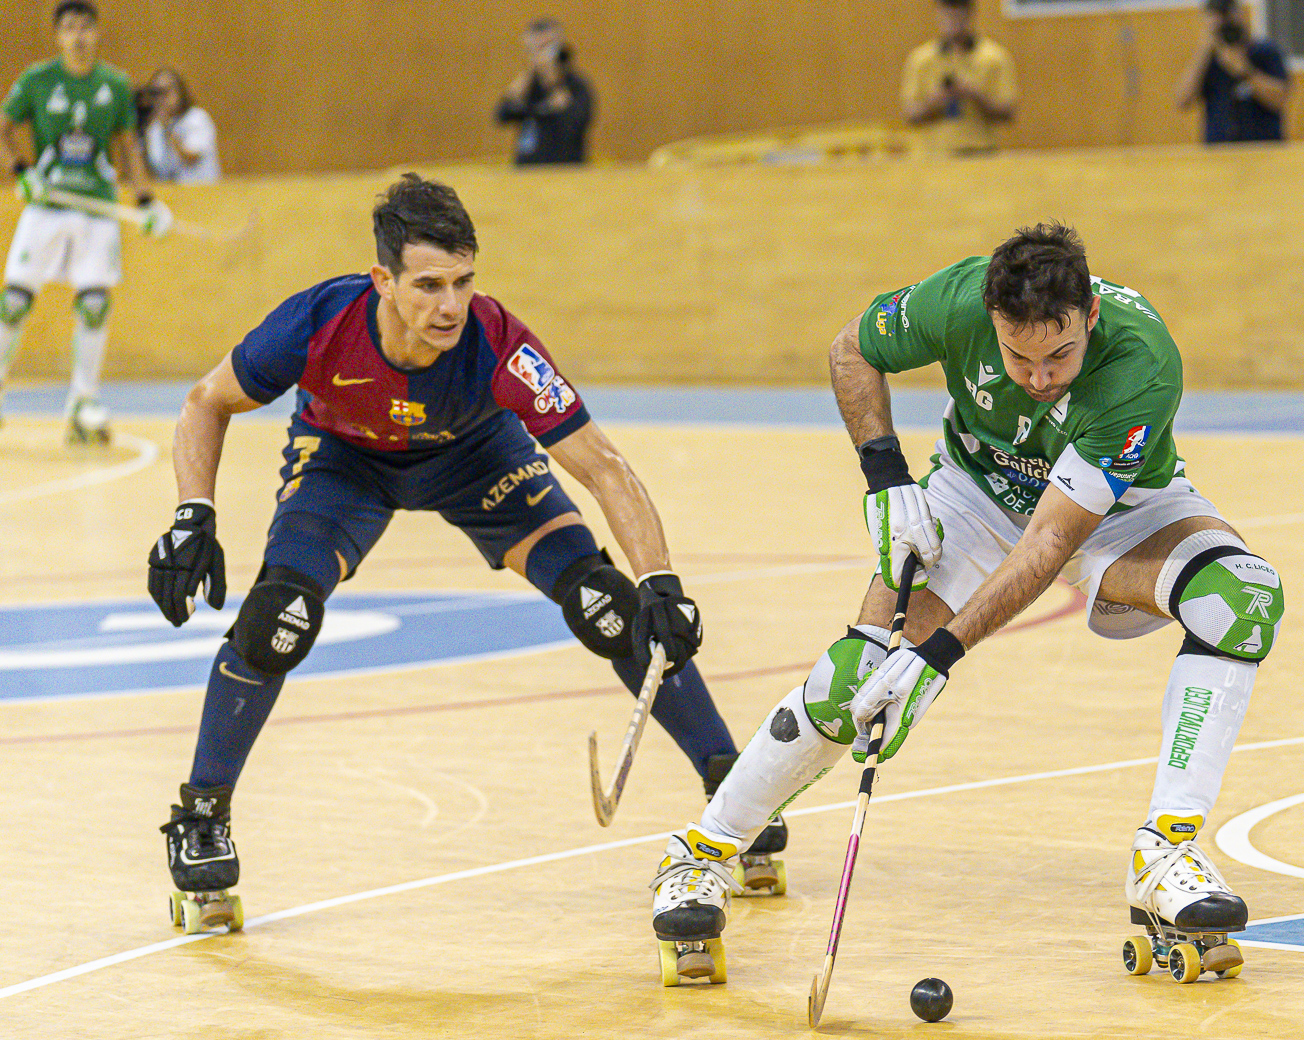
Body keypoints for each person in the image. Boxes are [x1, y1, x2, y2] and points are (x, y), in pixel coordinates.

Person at [648, 223, 1284, 986]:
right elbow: (850, 349)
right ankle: (704, 850)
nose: (1040, 377)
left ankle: (1167, 851)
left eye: (1058, 356)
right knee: (856, 680)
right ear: (989, 323)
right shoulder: (955, 299)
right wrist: (887, 478)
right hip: (976, 495)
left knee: (1240, 597)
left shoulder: (1140, 363)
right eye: (1018, 357)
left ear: (1088, 316)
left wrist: (938, 656)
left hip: (1121, 510)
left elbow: (1049, 545)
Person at [146, 174, 758, 934]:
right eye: (429, 285)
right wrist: (192, 513)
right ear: (382, 282)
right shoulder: (317, 320)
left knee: (610, 606)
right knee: (279, 618)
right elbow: (208, 400)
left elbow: (602, 464)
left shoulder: (498, 340)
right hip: (346, 460)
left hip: (476, 456)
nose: (450, 305)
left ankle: (736, 790)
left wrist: (661, 580)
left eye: (463, 282)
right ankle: (202, 815)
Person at [0, 0, 168, 442]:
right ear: (57, 35)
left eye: (86, 27)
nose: (78, 36)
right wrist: (21, 171)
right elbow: (3, 127)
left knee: (94, 304)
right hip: (47, 207)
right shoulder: (37, 80)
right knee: (14, 301)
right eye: (69, 27)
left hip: (97, 210)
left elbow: (128, 146)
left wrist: (147, 199)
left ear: (97, 33)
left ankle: (83, 401)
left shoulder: (113, 85)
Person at [900, 0, 1019, 156]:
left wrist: (975, 95)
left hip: (980, 152)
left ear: (970, 14)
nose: (953, 19)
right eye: (948, 13)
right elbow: (910, 115)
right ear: (939, 14)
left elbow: (1008, 113)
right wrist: (937, 100)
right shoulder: (921, 59)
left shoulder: (994, 58)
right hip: (934, 155)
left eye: (959, 13)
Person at [1175, 0, 1290, 144]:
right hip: (1218, 153)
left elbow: (1279, 99)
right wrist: (1205, 49)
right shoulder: (1208, 60)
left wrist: (1245, 71)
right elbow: (1182, 101)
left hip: (1263, 149)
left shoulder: (1265, 52)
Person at [494, 17, 595, 166]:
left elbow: (579, 121)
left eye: (547, 47)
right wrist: (524, 82)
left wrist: (553, 83)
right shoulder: (527, 84)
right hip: (527, 166)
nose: (541, 54)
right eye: (536, 48)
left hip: (565, 168)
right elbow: (502, 116)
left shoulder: (574, 83)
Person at [138, 68, 219, 184]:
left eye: (167, 91)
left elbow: (190, 158)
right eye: (157, 93)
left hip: (202, 191)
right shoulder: (155, 127)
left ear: (180, 91)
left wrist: (167, 130)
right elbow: (156, 169)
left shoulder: (196, 118)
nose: (162, 98)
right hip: (172, 193)